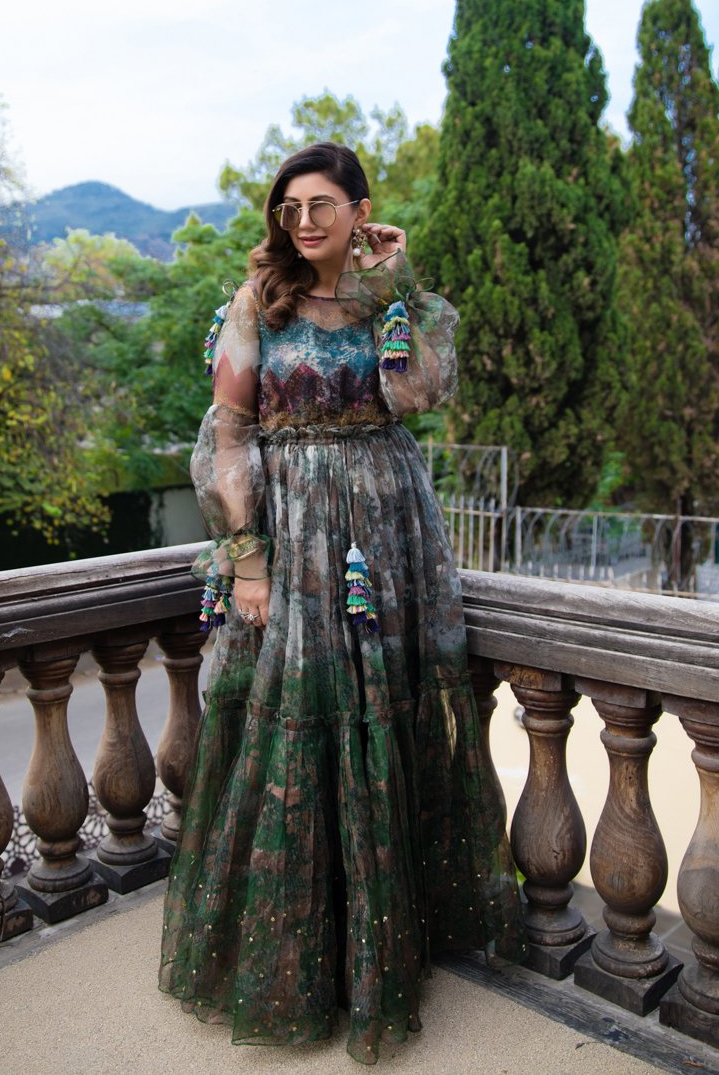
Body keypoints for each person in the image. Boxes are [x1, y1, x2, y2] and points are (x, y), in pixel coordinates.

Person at [158, 142, 523, 1065]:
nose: (304, 222)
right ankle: (297, 957)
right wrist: (247, 560)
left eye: (321, 204)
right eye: (289, 208)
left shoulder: (387, 303)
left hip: (384, 539)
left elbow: (418, 393)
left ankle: (378, 942)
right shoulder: (258, 302)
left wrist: (394, 284)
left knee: (379, 717)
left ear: (361, 211)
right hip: (291, 536)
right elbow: (226, 436)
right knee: (297, 722)